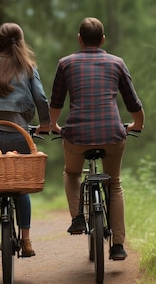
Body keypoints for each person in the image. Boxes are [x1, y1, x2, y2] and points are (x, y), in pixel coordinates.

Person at [49, 17, 145, 261]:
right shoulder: (117, 63)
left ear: (79, 38)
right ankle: (118, 246)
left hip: (77, 135)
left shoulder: (65, 64)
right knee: (114, 183)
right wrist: (137, 125)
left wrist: (54, 126)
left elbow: (56, 102)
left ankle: (78, 217)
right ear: (102, 40)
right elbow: (133, 102)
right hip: (112, 133)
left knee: (72, 173)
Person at [0, 22, 51, 257]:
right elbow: (41, 98)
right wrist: (45, 124)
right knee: (20, 185)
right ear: (21, 41)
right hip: (20, 135)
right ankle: (26, 241)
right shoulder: (28, 67)